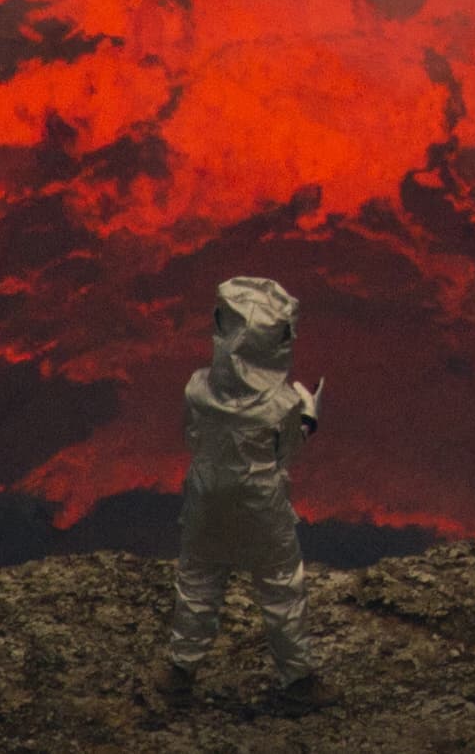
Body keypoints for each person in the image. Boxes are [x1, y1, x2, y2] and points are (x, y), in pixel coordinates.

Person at [160, 276, 324, 702]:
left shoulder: (197, 389)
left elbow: (191, 437)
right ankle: (301, 680)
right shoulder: (281, 404)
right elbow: (286, 450)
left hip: (206, 493)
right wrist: (308, 419)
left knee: (198, 578)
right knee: (280, 583)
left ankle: (180, 673)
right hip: (261, 502)